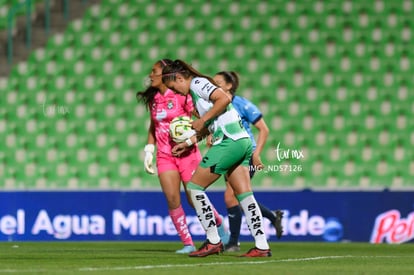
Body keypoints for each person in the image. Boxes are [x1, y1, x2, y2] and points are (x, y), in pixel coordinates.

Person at [162, 59, 271, 257]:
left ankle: (213, 240)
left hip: (229, 141)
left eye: (174, 87)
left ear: (179, 78)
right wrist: (187, 143)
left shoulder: (197, 83)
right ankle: (262, 245)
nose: (175, 92)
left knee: (194, 188)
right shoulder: (197, 96)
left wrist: (202, 119)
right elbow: (208, 126)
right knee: (245, 195)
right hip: (242, 140)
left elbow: (224, 99)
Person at [136, 59, 228, 254]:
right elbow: (154, 126)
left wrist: (202, 132)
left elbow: (200, 114)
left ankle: (218, 226)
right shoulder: (154, 100)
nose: (151, 75)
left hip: (187, 153)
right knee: (171, 198)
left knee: (193, 197)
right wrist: (148, 151)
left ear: (165, 75)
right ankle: (188, 243)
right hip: (164, 154)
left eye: (154, 71)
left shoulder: (182, 95)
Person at [213, 71, 284, 252]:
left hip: (245, 153)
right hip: (228, 154)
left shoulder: (241, 104)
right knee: (238, 195)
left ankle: (233, 242)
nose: (214, 85)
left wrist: (256, 154)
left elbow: (264, 129)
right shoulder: (216, 105)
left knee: (231, 196)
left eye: (218, 82)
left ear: (229, 85)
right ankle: (272, 216)